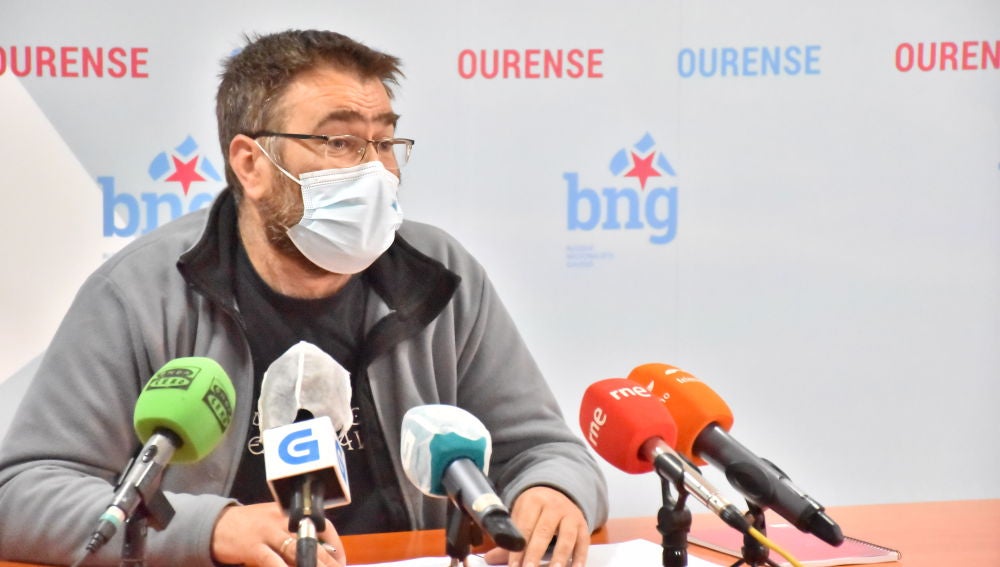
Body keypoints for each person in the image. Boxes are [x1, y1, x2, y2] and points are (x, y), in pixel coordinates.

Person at [0, 29, 608, 567]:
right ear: (252, 164)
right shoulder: (140, 293)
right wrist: (211, 530)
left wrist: (552, 492)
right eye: (339, 143)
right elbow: (24, 493)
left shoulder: (440, 274)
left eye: (384, 142)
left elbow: (545, 451)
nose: (376, 171)